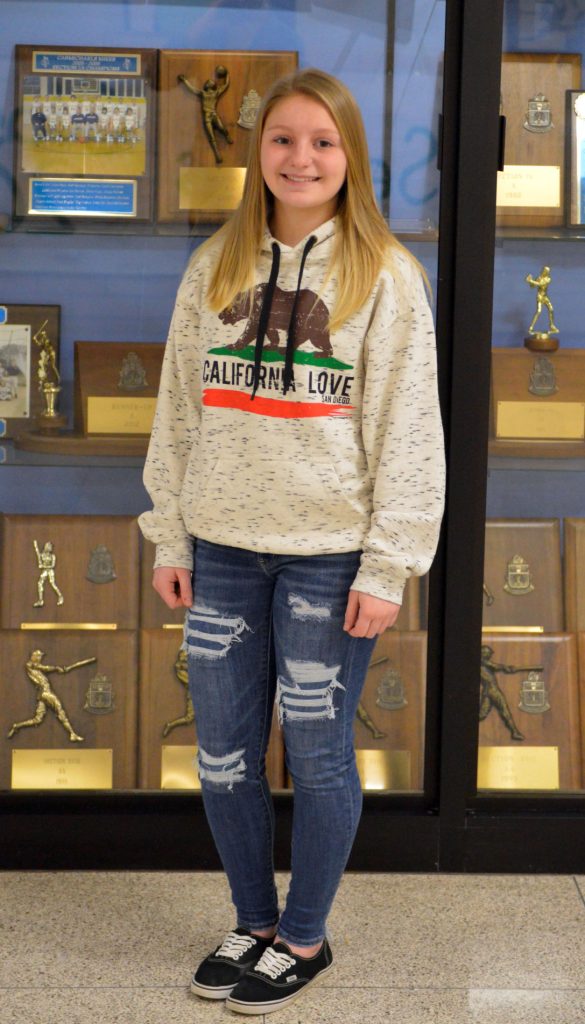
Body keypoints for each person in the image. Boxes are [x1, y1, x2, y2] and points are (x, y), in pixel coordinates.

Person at [139, 67, 445, 1016]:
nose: (300, 158)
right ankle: (251, 921)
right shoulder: (216, 266)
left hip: (330, 554)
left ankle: (303, 935)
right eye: (281, 139)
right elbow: (177, 408)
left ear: (350, 155)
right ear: (257, 152)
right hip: (221, 549)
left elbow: (409, 429)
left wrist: (388, 564)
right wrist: (170, 537)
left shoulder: (385, 275)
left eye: (321, 141)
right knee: (224, 756)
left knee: (315, 755)